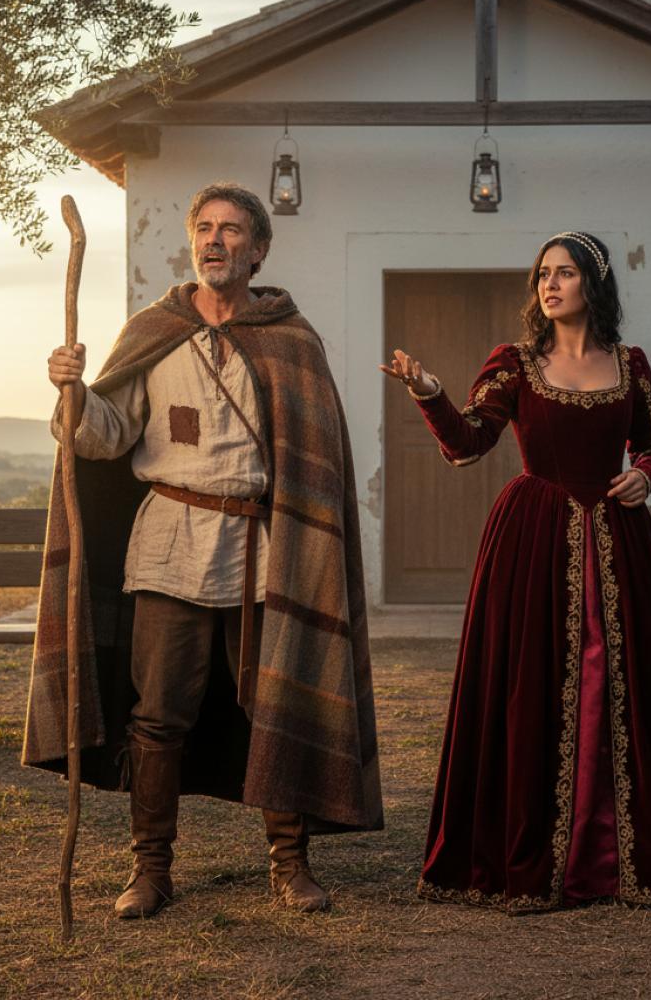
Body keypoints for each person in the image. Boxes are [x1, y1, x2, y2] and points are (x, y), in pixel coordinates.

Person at [23, 182, 382, 919]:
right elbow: (108, 435)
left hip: (261, 547)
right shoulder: (154, 331)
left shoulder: (292, 338)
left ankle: (289, 865)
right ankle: (150, 871)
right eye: (204, 229)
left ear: (258, 250)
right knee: (158, 714)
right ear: (193, 242)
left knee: (272, 702)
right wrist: (74, 396)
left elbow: (313, 460)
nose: (216, 241)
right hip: (170, 546)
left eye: (232, 230)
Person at [381, 232, 651, 911]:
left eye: (564, 273)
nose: (549, 285)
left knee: (623, 687)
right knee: (531, 686)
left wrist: (646, 474)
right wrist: (430, 390)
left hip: (620, 544)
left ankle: (623, 857)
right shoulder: (514, 363)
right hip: (532, 542)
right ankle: (531, 855)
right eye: (542, 275)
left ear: (593, 283)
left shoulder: (631, 364)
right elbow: (467, 442)